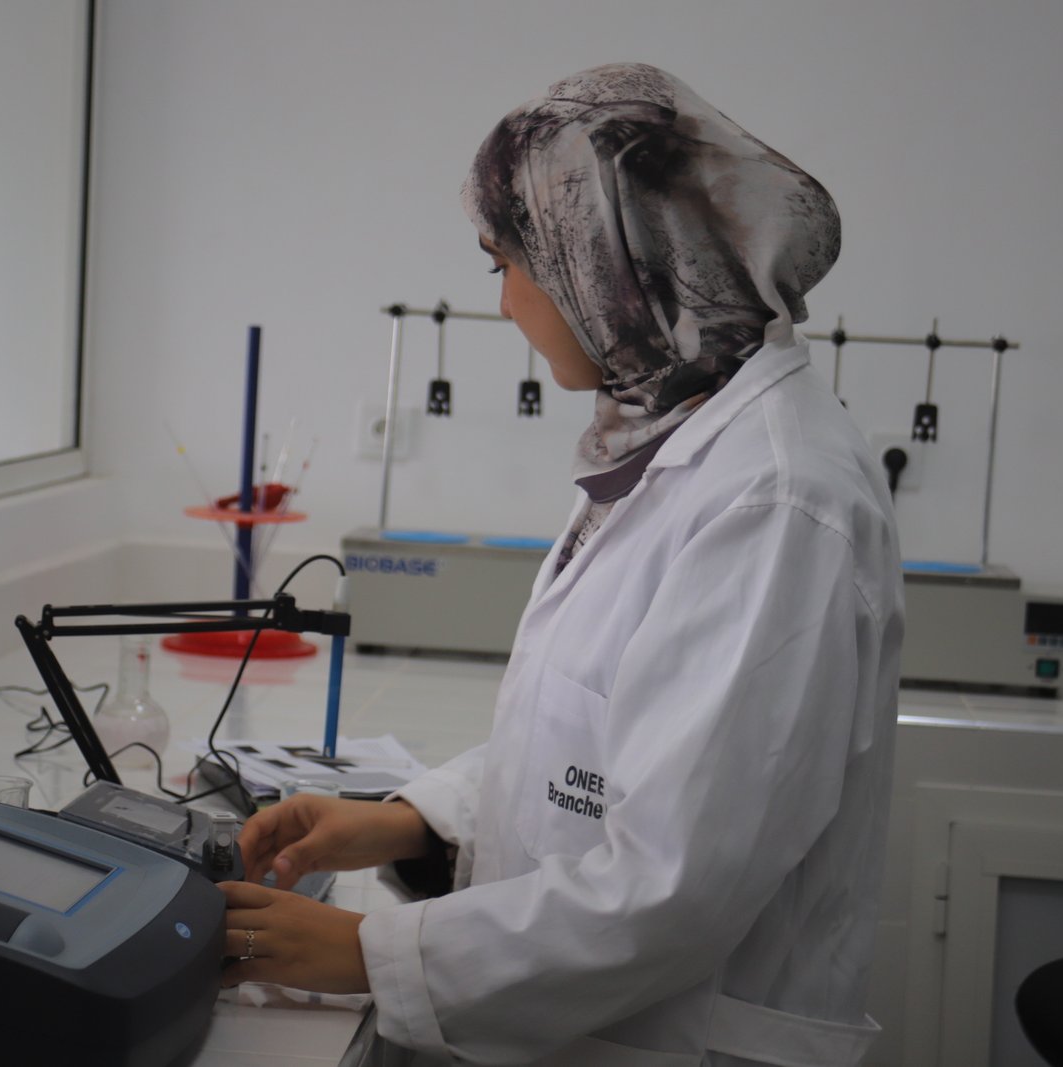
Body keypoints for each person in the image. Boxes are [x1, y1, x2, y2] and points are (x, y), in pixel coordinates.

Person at [220, 62, 904, 1066]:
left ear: (608, 261)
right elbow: (593, 751)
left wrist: (370, 951)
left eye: (505, 262)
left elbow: (671, 886)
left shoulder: (775, 499)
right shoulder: (671, 436)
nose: (504, 303)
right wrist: (407, 821)